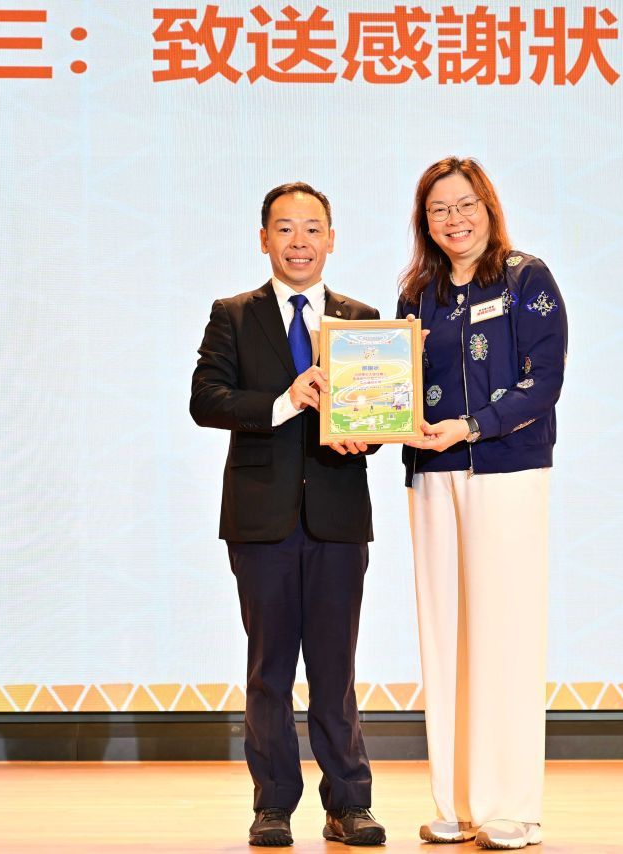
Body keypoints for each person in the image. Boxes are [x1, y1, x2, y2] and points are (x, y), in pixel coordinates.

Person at [190, 182, 386, 847]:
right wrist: (285, 399)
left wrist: (369, 435)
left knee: (335, 671)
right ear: (263, 239)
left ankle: (349, 805)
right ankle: (272, 805)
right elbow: (206, 399)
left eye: (312, 228)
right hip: (261, 520)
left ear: (332, 239)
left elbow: (379, 409)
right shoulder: (233, 315)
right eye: (285, 228)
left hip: (338, 517)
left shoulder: (362, 319)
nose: (299, 242)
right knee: (269, 672)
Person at [398, 158, 568, 850]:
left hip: (506, 470)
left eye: (465, 204)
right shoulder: (418, 295)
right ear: (425, 222)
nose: (454, 219)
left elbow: (543, 383)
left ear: (489, 207)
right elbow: (397, 386)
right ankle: (459, 802)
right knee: (444, 635)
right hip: (432, 474)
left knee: (506, 632)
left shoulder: (527, 279)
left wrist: (472, 427)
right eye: (439, 209)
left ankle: (512, 807)